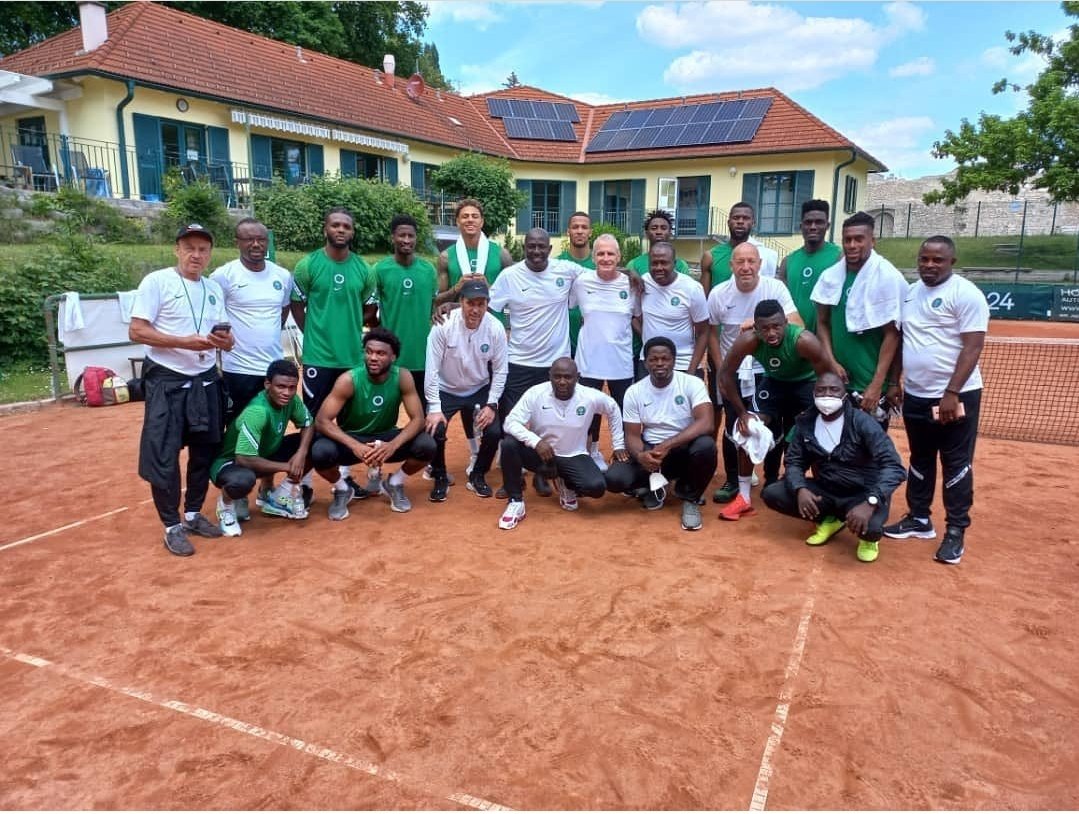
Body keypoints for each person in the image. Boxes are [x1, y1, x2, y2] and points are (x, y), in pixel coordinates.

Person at [883, 236, 989, 565]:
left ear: (951, 262)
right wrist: (895, 381)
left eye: (937, 260)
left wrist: (952, 392)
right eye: (924, 259)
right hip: (916, 394)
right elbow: (903, 340)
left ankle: (955, 531)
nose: (929, 265)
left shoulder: (966, 294)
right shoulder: (911, 294)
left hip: (956, 397)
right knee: (921, 458)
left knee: (956, 464)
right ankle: (919, 519)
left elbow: (973, 346)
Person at [130, 223, 233, 557]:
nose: (196, 255)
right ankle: (171, 525)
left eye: (203, 249)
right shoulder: (157, 282)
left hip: (205, 378)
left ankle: (192, 514)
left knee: (205, 450)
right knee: (165, 453)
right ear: (177, 249)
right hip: (167, 380)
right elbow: (137, 331)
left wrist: (225, 341)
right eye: (189, 247)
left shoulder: (213, 288)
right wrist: (184, 342)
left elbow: (225, 339)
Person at [761, 372, 906, 563]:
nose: (827, 395)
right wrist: (800, 489)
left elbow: (894, 467)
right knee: (773, 493)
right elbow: (794, 461)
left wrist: (871, 501)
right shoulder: (805, 422)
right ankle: (830, 519)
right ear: (813, 394)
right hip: (827, 489)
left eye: (833, 390)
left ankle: (869, 540)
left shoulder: (862, 423)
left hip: (862, 493)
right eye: (821, 390)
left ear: (844, 395)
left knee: (871, 528)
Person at [488, 227, 590, 497]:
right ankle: (514, 478)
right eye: (530, 246)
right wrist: (453, 305)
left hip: (554, 365)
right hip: (519, 362)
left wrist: (630, 274)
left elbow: (602, 276)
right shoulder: (509, 276)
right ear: (524, 248)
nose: (535, 251)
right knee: (513, 423)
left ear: (550, 249)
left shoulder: (565, 270)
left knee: (549, 424)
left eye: (540, 246)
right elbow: (488, 307)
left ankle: (541, 475)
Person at [289, 207, 378, 503]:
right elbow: (297, 305)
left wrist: (353, 327)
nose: (341, 230)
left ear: (352, 232)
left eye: (346, 226)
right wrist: (314, 333)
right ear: (325, 229)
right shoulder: (308, 265)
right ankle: (306, 482)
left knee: (350, 421)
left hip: (352, 357)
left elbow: (370, 308)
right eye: (335, 225)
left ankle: (345, 476)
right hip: (318, 358)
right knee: (312, 419)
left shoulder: (363, 269)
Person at [718, 299, 835, 520]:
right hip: (775, 383)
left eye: (776, 326)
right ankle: (743, 498)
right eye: (764, 328)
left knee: (815, 438)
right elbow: (725, 374)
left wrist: (814, 413)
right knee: (747, 428)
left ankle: (826, 501)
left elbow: (827, 377)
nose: (771, 333)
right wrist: (743, 413)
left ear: (786, 323)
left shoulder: (804, 341)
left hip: (807, 384)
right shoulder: (749, 341)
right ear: (756, 328)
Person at [707, 243, 800, 509]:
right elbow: (711, 332)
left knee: (771, 425)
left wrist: (757, 328)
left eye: (751, 261)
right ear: (731, 265)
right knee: (734, 426)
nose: (745, 267)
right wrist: (721, 365)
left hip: (769, 369)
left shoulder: (775, 288)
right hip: (733, 370)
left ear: (760, 264)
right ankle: (734, 481)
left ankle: (770, 479)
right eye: (740, 262)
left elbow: (797, 324)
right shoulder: (718, 294)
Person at [311, 328, 436, 518]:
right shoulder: (348, 380)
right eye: (369, 352)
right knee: (320, 452)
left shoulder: (402, 377)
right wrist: (355, 446)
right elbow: (321, 420)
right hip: (354, 439)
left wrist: (392, 445)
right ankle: (342, 488)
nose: (373, 357)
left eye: (380, 353)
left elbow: (418, 419)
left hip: (385, 437)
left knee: (427, 444)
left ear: (393, 357)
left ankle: (394, 483)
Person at [209, 360, 338, 535]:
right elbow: (244, 459)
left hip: (264, 454)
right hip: (231, 463)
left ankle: (277, 497)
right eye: (281, 386)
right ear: (267, 384)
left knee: (316, 442)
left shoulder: (292, 401)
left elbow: (308, 424)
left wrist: (301, 453)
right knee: (243, 481)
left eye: (292, 387)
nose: (287, 392)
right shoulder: (258, 411)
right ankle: (225, 506)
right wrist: (287, 467)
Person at [497, 358, 626, 529]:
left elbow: (613, 408)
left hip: (573, 455)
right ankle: (515, 502)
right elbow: (510, 423)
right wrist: (536, 442)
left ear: (577, 377)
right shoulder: (535, 393)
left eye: (568, 377)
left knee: (596, 488)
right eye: (557, 377)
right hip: (542, 455)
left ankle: (566, 482)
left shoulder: (589, 396)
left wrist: (618, 445)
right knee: (509, 444)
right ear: (549, 376)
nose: (562, 382)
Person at [606, 337, 717, 532]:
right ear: (646, 362)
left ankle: (690, 497)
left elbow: (706, 423)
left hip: (683, 449)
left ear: (673, 360)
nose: (659, 364)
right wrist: (641, 456)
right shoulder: (634, 391)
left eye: (665, 359)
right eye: (653, 359)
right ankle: (656, 484)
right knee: (615, 478)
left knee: (706, 446)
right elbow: (632, 435)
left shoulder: (692, 383)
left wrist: (667, 445)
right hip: (652, 451)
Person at [436, 198, 514, 470]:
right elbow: (439, 300)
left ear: (482, 221)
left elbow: (511, 294)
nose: (470, 220)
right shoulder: (446, 257)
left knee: (497, 391)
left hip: (493, 331)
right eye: (464, 216)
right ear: (457, 221)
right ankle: (473, 451)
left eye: (475, 216)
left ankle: (503, 446)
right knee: (467, 393)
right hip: (462, 328)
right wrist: (457, 288)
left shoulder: (500, 254)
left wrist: (506, 324)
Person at [811, 211, 906, 419]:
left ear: (872, 241)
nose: (852, 245)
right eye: (847, 240)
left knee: (868, 448)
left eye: (858, 239)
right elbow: (822, 322)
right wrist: (831, 362)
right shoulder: (830, 276)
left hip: (870, 387)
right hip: (836, 383)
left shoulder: (888, 277)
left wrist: (878, 384)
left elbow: (893, 335)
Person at [424, 278, 508, 501]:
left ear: (487, 305)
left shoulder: (495, 328)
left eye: (481, 304)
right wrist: (434, 407)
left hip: (478, 388)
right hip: (446, 389)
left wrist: (491, 404)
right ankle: (440, 475)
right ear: (461, 302)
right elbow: (431, 370)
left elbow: (500, 371)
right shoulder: (443, 325)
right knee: (434, 430)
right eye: (471, 303)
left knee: (493, 431)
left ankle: (478, 474)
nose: (475, 309)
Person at [210, 218, 295, 423]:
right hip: (238, 369)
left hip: (272, 368)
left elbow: (283, 312)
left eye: (261, 239)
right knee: (236, 426)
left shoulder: (282, 276)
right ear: (237, 242)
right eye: (249, 239)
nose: (256, 244)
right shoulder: (223, 276)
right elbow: (213, 318)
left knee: (270, 424)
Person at [571, 233, 640, 472]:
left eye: (611, 253)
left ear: (619, 257)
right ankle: (592, 450)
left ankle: (624, 454)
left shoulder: (631, 285)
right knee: (590, 408)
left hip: (620, 360)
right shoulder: (581, 282)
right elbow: (570, 306)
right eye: (600, 253)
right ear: (593, 257)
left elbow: (637, 316)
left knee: (622, 408)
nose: (606, 258)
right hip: (588, 359)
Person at [636, 241, 709, 378]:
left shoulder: (691, 288)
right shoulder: (643, 284)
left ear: (674, 264)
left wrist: (691, 371)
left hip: (683, 363)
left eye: (664, 263)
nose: (659, 267)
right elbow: (636, 317)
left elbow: (704, 332)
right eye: (654, 263)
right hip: (649, 363)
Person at [776, 200, 842, 333]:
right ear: (801, 226)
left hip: (827, 339)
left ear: (827, 225)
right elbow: (779, 302)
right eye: (808, 222)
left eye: (819, 222)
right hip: (794, 338)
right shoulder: (788, 261)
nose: (813, 227)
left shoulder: (839, 257)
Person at [699, 202, 779, 292]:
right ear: (729, 223)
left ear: (753, 223)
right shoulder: (710, 256)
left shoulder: (765, 254)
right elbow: (704, 300)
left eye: (746, 218)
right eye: (736, 218)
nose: (740, 221)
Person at [556, 210, 595, 356]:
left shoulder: (601, 264)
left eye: (584, 227)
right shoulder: (557, 264)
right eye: (575, 227)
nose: (579, 231)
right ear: (568, 231)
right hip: (562, 343)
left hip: (593, 342)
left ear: (590, 232)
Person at [626, 210, 692, 276]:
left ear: (670, 233)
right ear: (646, 233)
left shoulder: (681, 265)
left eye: (663, 228)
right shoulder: (634, 264)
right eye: (654, 228)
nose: (659, 232)